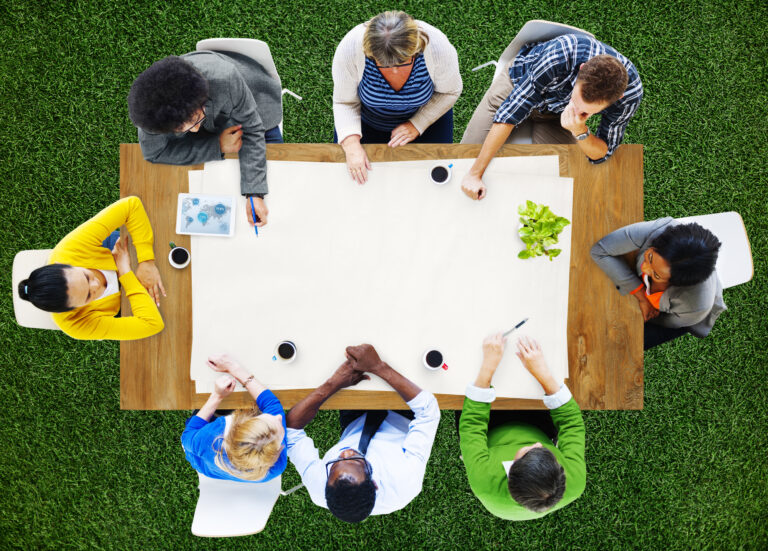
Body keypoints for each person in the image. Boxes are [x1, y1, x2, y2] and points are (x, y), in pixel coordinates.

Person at [461, 34, 643, 200]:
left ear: (618, 98)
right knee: (463, 159)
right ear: (582, 69)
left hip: (556, 114)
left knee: (561, 186)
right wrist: (475, 174)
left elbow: (603, 153)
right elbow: (511, 113)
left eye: (585, 112)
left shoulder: (630, 96)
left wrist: (580, 130)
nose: (576, 110)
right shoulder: (560, 54)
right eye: (575, 100)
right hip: (517, 85)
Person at [286, 344, 440, 523]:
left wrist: (334, 383)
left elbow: (290, 430)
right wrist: (378, 367)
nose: (346, 453)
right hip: (404, 412)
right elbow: (428, 411)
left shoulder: (319, 486)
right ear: (374, 483)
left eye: (335, 463)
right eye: (356, 461)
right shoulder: (405, 481)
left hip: (355, 420)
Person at [128, 50, 283, 227]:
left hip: (254, 101)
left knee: (278, 174)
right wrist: (217, 145)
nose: (193, 131)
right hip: (216, 121)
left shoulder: (225, 78)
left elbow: (253, 128)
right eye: (180, 129)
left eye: (194, 120)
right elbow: (154, 153)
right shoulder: (151, 113)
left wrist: (254, 193)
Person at [458, 334, 586, 520]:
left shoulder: (484, 482)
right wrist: (543, 373)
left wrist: (488, 367)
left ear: (510, 469)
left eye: (527, 452)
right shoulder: (574, 481)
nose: (537, 445)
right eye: (546, 452)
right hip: (538, 427)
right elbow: (572, 424)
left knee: (463, 385)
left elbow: (471, 426)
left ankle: (470, 455)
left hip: (488, 434)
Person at [333, 10, 462, 184]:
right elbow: (344, 101)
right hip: (366, 123)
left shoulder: (437, 47)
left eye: (402, 62)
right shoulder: (350, 47)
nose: (393, 70)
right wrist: (350, 144)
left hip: (427, 121)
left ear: (415, 49)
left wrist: (417, 124)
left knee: (431, 183)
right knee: (353, 181)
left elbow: (450, 91)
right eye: (383, 64)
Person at [17, 196, 165, 340]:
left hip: (116, 251)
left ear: (67, 264)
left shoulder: (69, 249)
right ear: (73, 309)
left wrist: (146, 261)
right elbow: (151, 324)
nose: (97, 284)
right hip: (123, 297)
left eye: (86, 277)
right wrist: (125, 273)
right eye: (89, 295)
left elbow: (131, 205)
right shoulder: (75, 325)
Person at [590, 218, 724, 349]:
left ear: (675, 283)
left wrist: (643, 314)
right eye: (649, 257)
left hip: (675, 317)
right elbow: (599, 251)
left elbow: (666, 322)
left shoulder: (696, 306)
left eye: (656, 275)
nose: (644, 268)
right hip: (656, 299)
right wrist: (642, 297)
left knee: (624, 344)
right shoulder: (659, 230)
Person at [181, 354, 287, 482]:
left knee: (202, 416)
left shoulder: (210, 436)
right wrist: (234, 368)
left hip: (203, 463)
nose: (279, 417)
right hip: (220, 469)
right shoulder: (276, 466)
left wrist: (217, 396)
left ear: (240, 424)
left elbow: (188, 435)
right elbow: (272, 404)